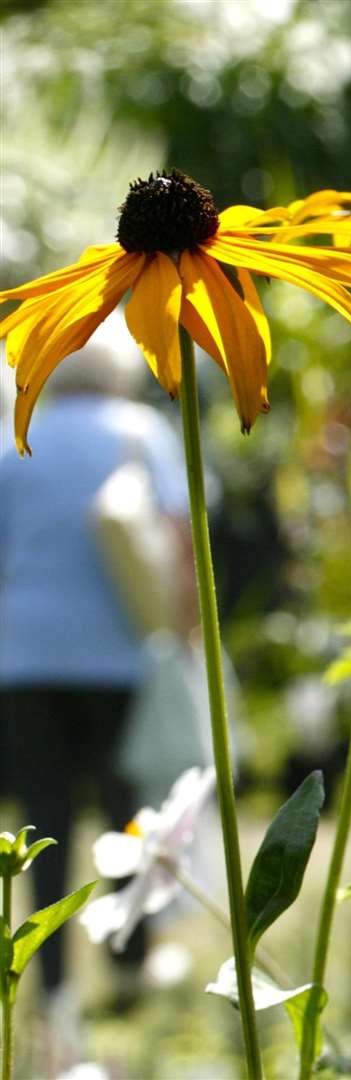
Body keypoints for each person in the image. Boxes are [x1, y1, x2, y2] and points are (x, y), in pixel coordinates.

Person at [0, 324, 192, 1011]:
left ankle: (47, 978)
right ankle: (130, 964)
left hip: (23, 659)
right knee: (125, 810)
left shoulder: (16, 439)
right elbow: (178, 540)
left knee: (40, 818)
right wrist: (190, 636)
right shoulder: (144, 433)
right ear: (123, 372)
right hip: (122, 656)